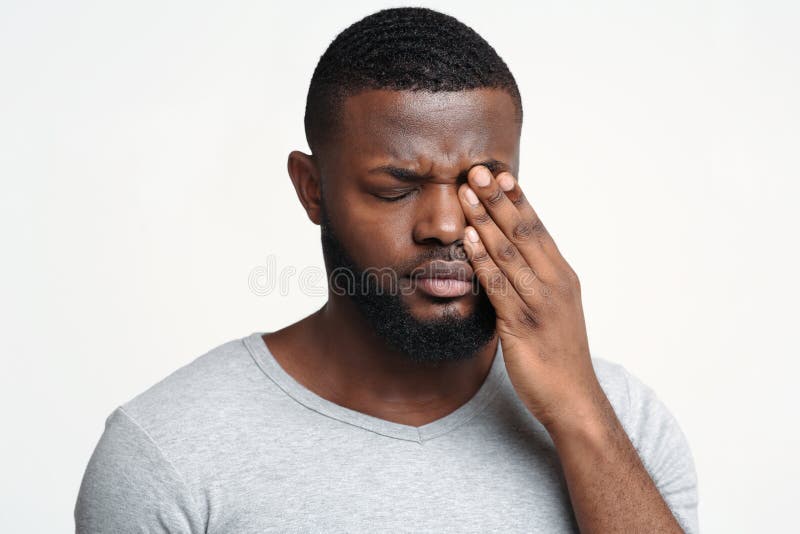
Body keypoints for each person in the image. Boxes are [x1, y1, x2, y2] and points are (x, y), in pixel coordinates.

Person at [75, 7, 698, 533]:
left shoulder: (621, 423)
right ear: (312, 188)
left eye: (483, 185)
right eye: (397, 187)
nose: (448, 225)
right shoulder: (166, 450)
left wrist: (578, 412)